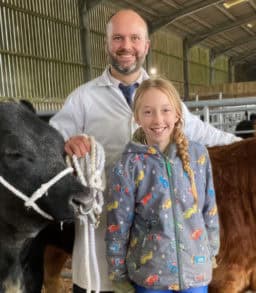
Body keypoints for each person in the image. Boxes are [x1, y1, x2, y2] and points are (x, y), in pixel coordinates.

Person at [49, 9, 238, 293]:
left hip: (156, 260)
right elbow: (49, 141)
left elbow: (207, 134)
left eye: (135, 38)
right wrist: (66, 143)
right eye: (118, 38)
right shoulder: (82, 99)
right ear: (107, 44)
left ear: (146, 46)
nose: (127, 46)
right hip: (102, 247)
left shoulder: (163, 97)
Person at [106, 77, 219, 293]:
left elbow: (209, 210)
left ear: (177, 114)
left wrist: (210, 252)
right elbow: (118, 224)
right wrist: (117, 273)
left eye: (165, 110)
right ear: (137, 118)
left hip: (194, 273)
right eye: (148, 112)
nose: (158, 119)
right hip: (150, 277)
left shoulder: (198, 156)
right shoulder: (128, 165)